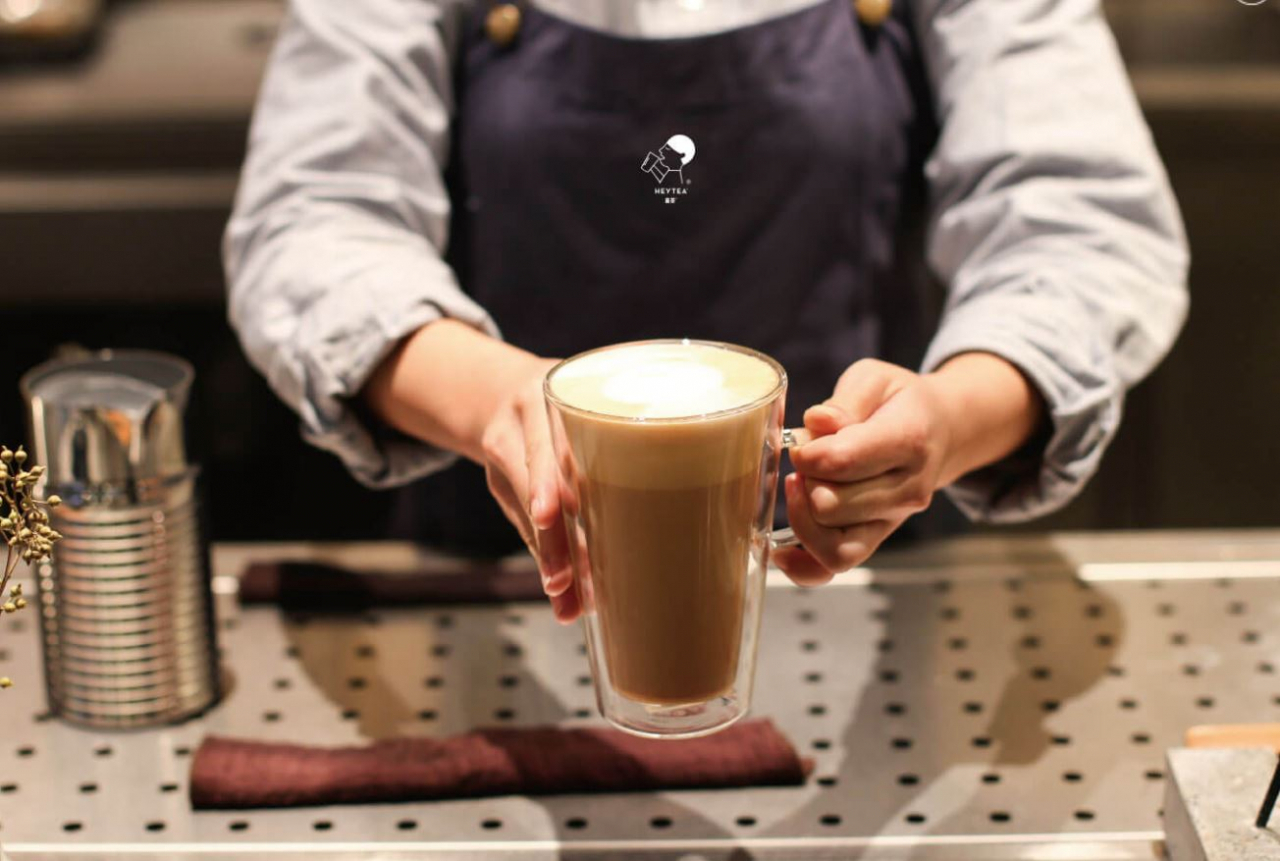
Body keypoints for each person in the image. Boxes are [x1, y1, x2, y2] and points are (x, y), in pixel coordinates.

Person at [225, 0, 1188, 622]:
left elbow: (1079, 221)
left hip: (865, 571)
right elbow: (315, 220)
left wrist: (948, 420)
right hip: (508, 577)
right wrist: (505, 400)